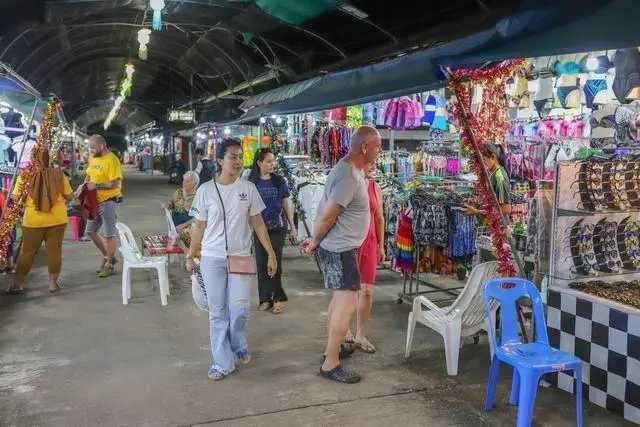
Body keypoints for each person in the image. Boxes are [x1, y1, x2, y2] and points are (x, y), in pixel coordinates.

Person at [186, 138, 278, 381]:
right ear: (220, 160)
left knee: (239, 310)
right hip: (212, 258)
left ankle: (238, 344)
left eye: (240, 157)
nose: (238, 161)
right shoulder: (205, 190)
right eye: (233, 157)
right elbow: (199, 226)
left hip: (241, 257)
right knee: (217, 313)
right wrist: (191, 252)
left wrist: (270, 252)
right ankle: (222, 363)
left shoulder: (248, 189)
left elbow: (258, 223)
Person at [301, 126, 382, 384]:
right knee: (346, 305)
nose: (380, 152)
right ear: (365, 148)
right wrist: (314, 241)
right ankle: (330, 363)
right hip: (340, 248)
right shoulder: (348, 176)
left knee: (339, 302)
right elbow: (328, 215)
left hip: (341, 247)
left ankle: (331, 351)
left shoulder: (352, 171)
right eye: (378, 147)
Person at [6, 149, 73, 294]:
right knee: (55, 252)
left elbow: (16, 198)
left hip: (33, 221)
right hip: (57, 220)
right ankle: (53, 285)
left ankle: (17, 285)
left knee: (27, 253)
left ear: (32, 158)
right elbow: (69, 196)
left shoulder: (24, 175)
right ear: (48, 158)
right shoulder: (59, 174)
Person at [248, 148, 297, 314]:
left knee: (275, 262)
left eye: (273, 161)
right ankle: (264, 298)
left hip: (278, 227)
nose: (272, 164)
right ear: (259, 163)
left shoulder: (279, 181)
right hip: (258, 228)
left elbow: (287, 203)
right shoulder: (251, 182)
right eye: (268, 161)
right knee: (261, 263)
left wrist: (292, 227)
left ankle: (278, 298)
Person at [345, 164, 384, 353]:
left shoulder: (376, 188)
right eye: (369, 163)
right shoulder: (351, 184)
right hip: (351, 242)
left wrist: (381, 245)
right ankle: (344, 329)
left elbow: (379, 218)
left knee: (367, 291)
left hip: (370, 242)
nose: (372, 167)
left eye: (374, 164)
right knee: (349, 290)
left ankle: (360, 335)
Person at [76, 134, 123, 278]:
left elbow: (114, 184)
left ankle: (109, 265)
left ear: (102, 146)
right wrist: (82, 186)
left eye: (93, 147)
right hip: (94, 201)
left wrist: (95, 185)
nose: (91, 150)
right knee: (90, 231)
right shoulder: (93, 158)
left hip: (109, 201)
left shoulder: (112, 160)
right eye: (89, 147)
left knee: (109, 234)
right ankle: (109, 256)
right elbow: (89, 175)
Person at [464, 143, 512, 217]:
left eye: (484, 160)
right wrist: (476, 201)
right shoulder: (493, 173)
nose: (483, 163)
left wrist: (477, 212)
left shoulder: (499, 176)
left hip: (500, 225)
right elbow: (493, 199)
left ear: (493, 157)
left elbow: (506, 209)